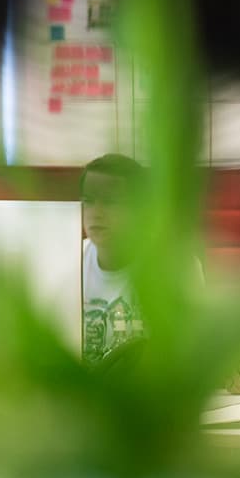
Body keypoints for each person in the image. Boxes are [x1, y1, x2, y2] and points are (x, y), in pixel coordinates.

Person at [80, 153, 146, 360]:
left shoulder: (172, 266)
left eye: (110, 201)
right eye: (88, 201)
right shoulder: (69, 261)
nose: (95, 212)